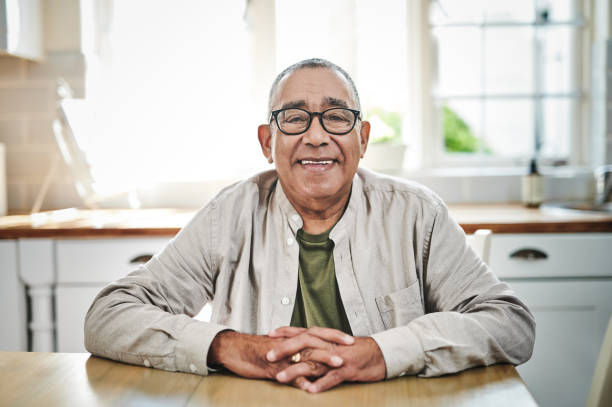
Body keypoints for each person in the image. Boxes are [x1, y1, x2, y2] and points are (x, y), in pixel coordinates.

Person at [84, 58, 535, 393]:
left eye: (337, 117)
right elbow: (108, 316)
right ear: (268, 142)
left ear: (362, 139)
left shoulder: (416, 213)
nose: (316, 136)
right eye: (295, 117)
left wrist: (382, 352)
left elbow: (511, 324)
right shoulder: (230, 213)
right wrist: (231, 347)